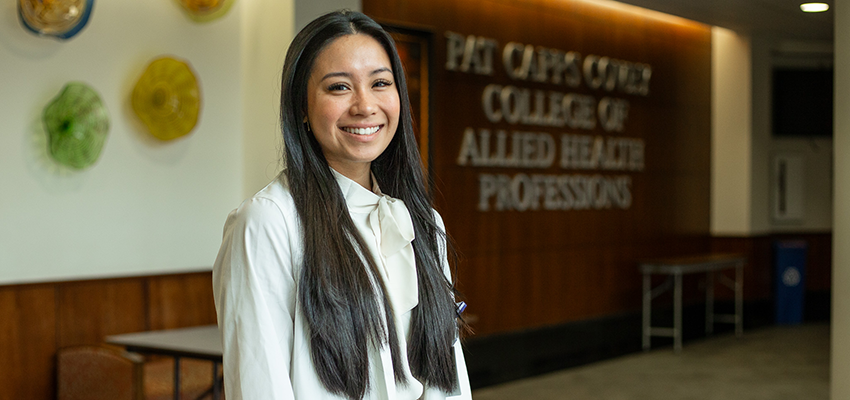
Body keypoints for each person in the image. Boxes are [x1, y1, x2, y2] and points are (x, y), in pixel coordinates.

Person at [212, 10, 472, 400]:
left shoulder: (421, 221)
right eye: (338, 88)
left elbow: (446, 377)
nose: (365, 106)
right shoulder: (268, 222)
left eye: (380, 83)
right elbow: (258, 384)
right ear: (301, 106)